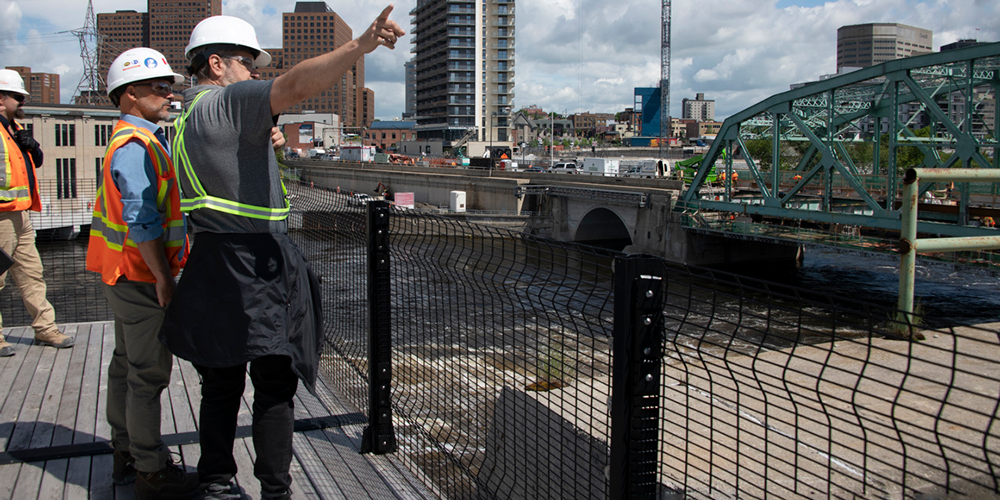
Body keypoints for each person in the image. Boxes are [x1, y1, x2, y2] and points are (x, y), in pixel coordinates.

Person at [159, 7, 404, 499]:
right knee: (274, 383)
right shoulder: (226, 103)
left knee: (221, 383)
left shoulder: (186, 116)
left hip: (211, 258)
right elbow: (292, 87)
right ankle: (276, 491)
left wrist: (263, 139)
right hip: (254, 264)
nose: (255, 73)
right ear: (216, 65)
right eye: (248, 63)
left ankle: (215, 482)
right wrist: (359, 47)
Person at [86, 48, 197, 499]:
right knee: (148, 375)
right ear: (129, 93)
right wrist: (164, 281)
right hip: (140, 277)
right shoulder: (135, 145)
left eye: (168, 86)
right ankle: (151, 470)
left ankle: (124, 451)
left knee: (124, 365)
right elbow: (142, 218)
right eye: (159, 87)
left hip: (121, 273)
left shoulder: (138, 139)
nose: (168, 94)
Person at [0, 69, 74, 356]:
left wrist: (33, 146)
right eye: (18, 97)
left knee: (32, 274)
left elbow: (36, 162)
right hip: (1, 216)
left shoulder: (14, 130)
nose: (22, 103)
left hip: (21, 215)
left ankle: (46, 329)